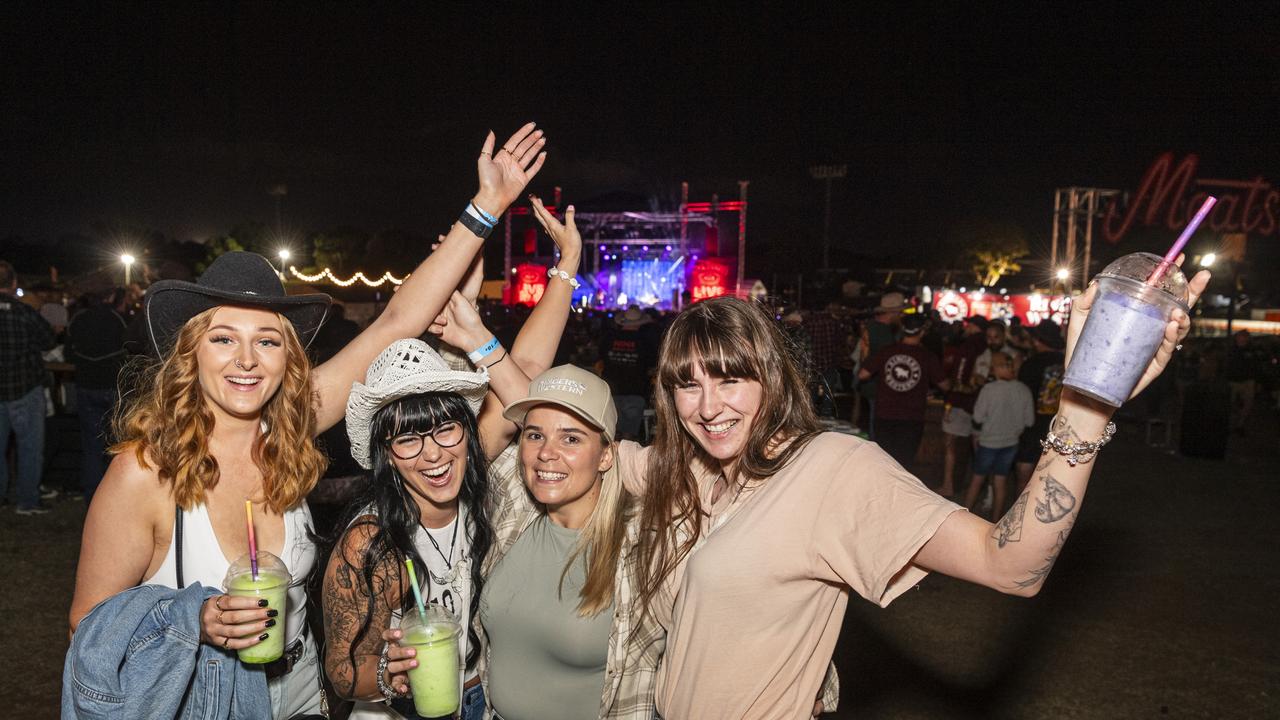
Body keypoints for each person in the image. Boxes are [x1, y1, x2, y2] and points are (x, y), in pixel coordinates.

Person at [67, 123, 549, 718]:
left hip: (303, 704)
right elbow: (87, 628)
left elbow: (397, 322)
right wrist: (197, 619)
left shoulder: (290, 430)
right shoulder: (146, 472)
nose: (246, 360)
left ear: (287, 358)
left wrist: (485, 207)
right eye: (224, 338)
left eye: (267, 341)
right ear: (191, 354)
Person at [624, 263, 1206, 719]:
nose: (707, 407)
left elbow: (1011, 566)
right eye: (687, 385)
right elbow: (552, 440)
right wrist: (563, 265)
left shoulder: (829, 469)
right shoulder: (691, 471)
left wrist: (1084, 406)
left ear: (771, 380)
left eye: (730, 379)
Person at [322, 195, 578, 720]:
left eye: (444, 430)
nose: (433, 455)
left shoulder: (470, 469)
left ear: (465, 431)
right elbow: (341, 669)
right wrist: (388, 675)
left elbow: (523, 371)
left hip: (480, 695)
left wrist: (567, 267)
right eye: (408, 440)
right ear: (387, 455)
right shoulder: (369, 540)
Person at [0, 259, 57, 514]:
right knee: (30, 448)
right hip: (25, 386)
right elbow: (48, 340)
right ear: (13, 283)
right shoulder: (25, 312)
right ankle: (27, 500)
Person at [857, 312, 948, 470]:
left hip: (884, 415)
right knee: (903, 465)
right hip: (911, 418)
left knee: (882, 462)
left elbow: (862, 374)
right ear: (922, 332)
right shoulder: (927, 356)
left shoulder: (887, 351)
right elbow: (945, 385)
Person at [66, 287, 130, 501]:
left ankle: (92, 496)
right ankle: (114, 497)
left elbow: (68, 351)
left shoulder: (78, 318)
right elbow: (128, 348)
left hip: (85, 386)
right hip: (112, 388)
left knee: (91, 446)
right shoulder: (116, 319)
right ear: (110, 296)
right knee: (117, 445)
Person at [963, 352, 1033, 520]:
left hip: (988, 443)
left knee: (977, 479)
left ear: (999, 368)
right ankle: (995, 520)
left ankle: (963, 516)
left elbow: (978, 418)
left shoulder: (989, 389)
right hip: (1010, 443)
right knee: (1000, 481)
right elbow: (1029, 421)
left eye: (992, 366)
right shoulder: (1023, 390)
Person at [1013, 320, 1067, 494]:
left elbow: (1021, 394)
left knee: (1025, 472)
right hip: (1059, 424)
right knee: (1050, 474)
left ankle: (1020, 509)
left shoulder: (1030, 364)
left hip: (1031, 425)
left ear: (1038, 340)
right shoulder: (1066, 363)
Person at [938, 316, 988, 497]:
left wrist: (952, 397)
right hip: (981, 403)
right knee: (978, 446)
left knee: (950, 443)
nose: (965, 327)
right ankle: (981, 488)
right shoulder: (987, 346)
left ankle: (948, 485)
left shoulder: (968, 346)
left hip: (962, 401)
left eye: (969, 324)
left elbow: (960, 375)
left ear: (975, 327)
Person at [599, 306, 658, 441]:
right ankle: (624, 460)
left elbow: (601, 357)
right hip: (635, 393)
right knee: (628, 437)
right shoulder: (644, 342)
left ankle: (612, 461)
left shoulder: (609, 339)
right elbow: (652, 365)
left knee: (611, 435)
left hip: (611, 392)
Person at [856, 291, 904, 436]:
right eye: (900, 312)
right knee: (877, 427)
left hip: (870, 383)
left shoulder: (871, 327)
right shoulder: (885, 332)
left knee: (874, 422)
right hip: (877, 384)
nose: (902, 315)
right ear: (893, 312)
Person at [1225, 330, 1258, 435]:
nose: (1242, 338)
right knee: (1230, 403)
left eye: (1244, 337)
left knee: (1248, 403)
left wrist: (1257, 381)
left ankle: (1240, 424)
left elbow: (1255, 366)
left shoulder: (1251, 350)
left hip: (1247, 380)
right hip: (1233, 380)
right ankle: (1231, 423)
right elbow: (1227, 365)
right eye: (1240, 336)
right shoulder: (1231, 350)